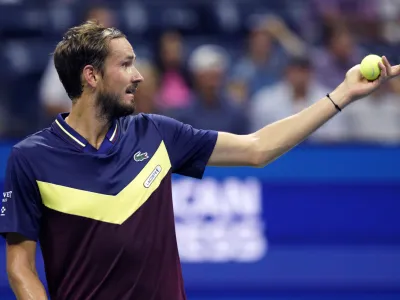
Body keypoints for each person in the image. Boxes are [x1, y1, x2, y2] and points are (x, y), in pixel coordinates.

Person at [0, 21, 399, 300]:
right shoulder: (31, 159)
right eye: (125, 64)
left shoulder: (156, 133)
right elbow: (20, 267)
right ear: (91, 76)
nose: (139, 75)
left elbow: (257, 148)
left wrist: (341, 96)